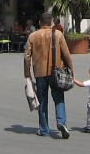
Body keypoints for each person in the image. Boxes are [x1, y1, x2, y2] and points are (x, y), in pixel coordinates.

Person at [23, 11, 73, 139]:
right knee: (59, 99)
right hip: (56, 71)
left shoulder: (33, 36)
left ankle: (44, 129)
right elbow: (66, 55)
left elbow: (27, 57)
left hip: (39, 73)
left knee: (42, 101)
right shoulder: (58, 34)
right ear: (51, 22)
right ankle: (61, 122)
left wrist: (27, 75)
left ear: (39, 22)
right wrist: (71, 71)